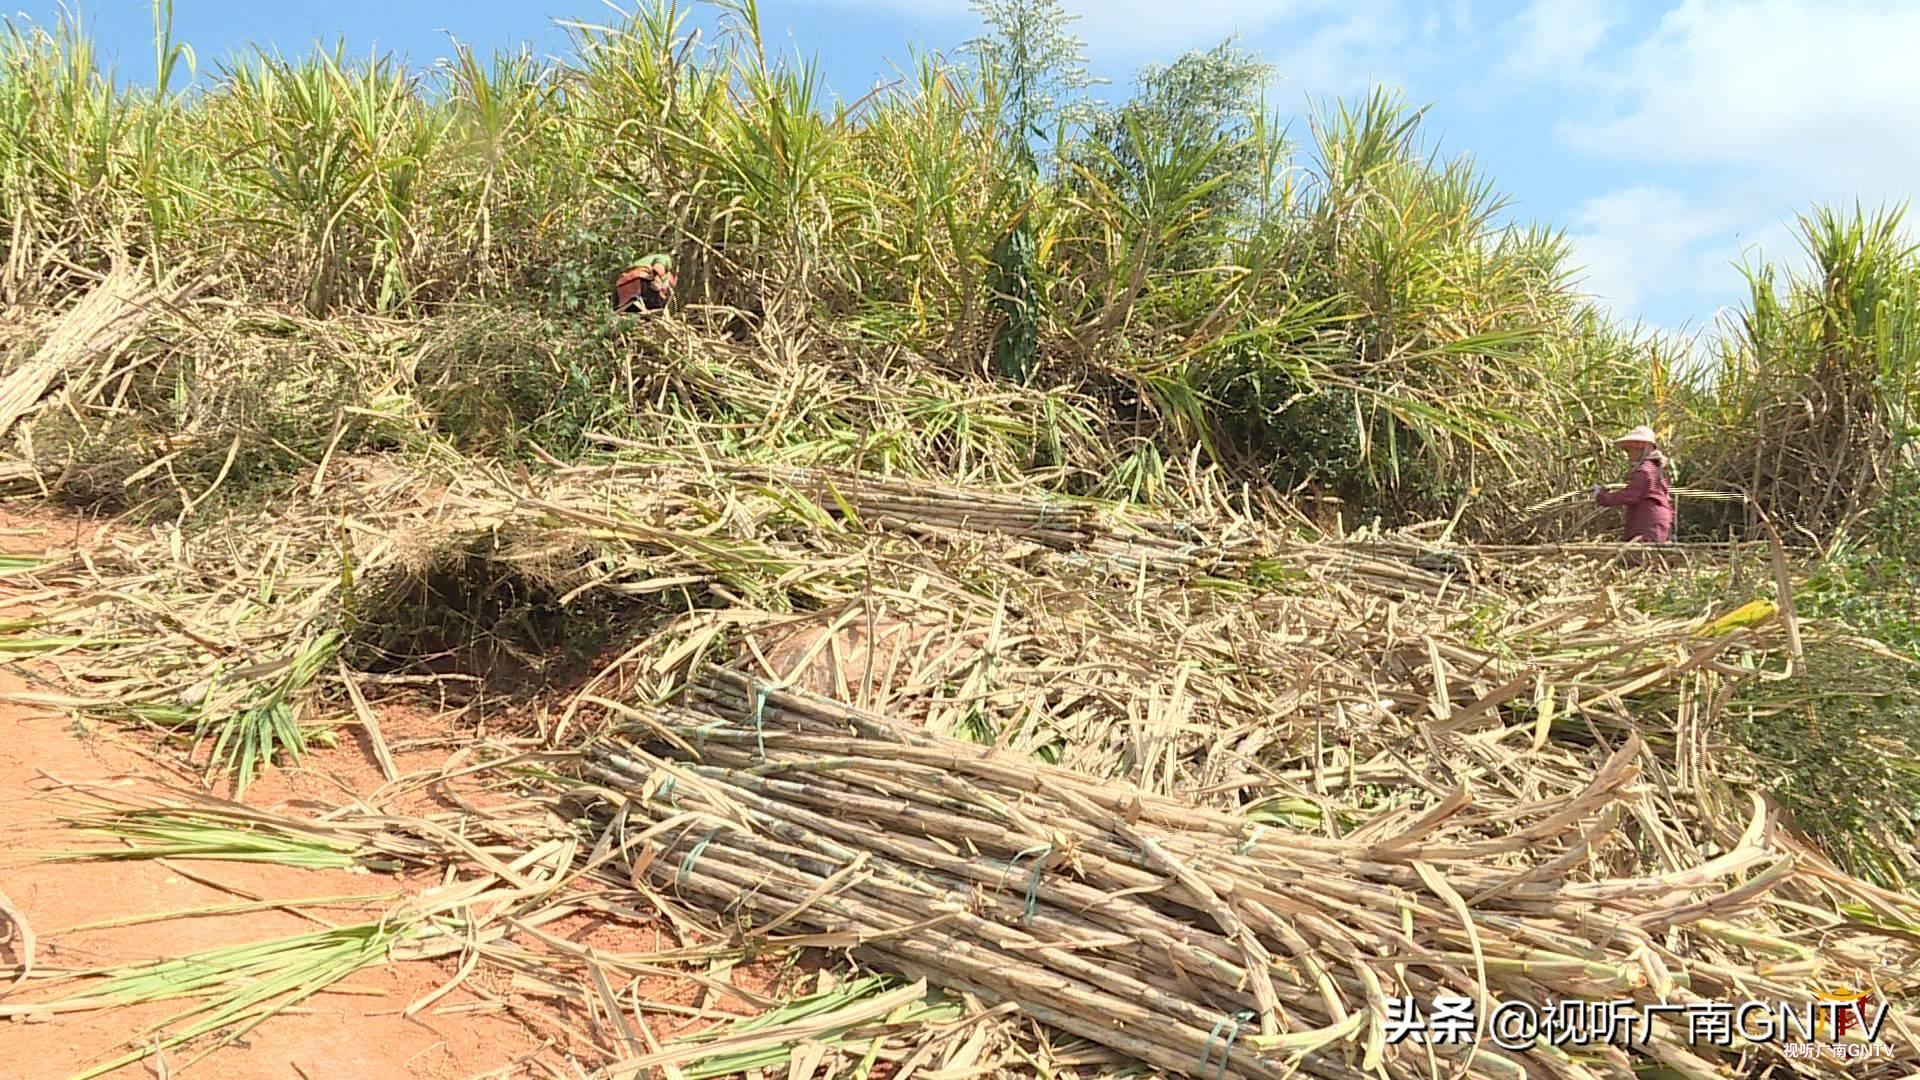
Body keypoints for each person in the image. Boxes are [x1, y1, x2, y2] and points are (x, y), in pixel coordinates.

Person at [1592, 425, 1673, 544]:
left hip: (1648, 523)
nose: (1628, 454)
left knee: (1640, 558)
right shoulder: (1656, 468)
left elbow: (1630, 495)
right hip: (1657, 521)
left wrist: (1601, 496)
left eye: (1629, 450)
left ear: (1641, 448)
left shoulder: (1645, 470)